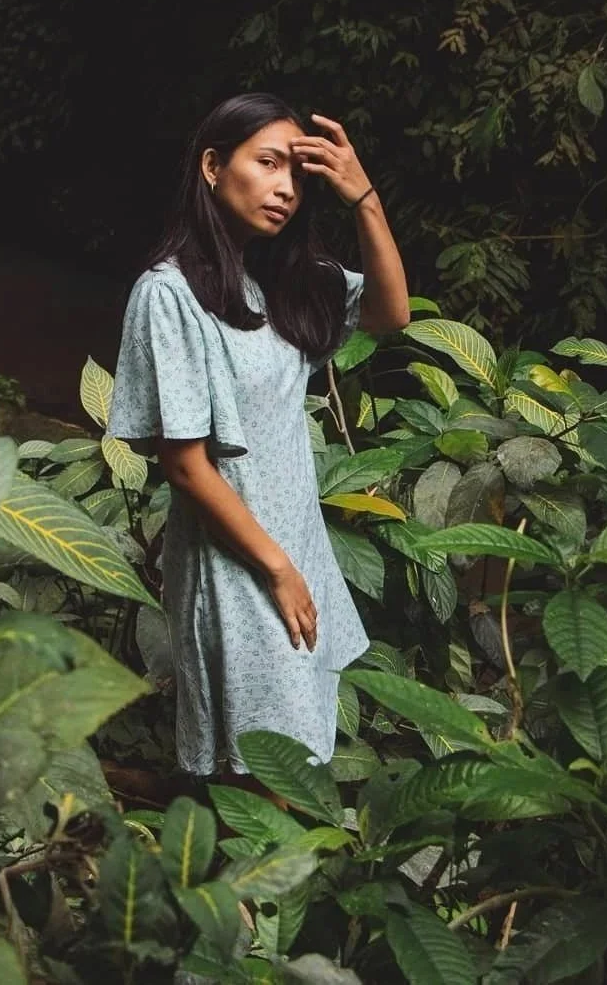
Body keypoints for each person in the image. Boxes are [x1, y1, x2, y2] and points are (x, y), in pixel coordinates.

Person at [106, 93, 410, 778]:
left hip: (297, 551)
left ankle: (259, 883)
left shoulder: (285, 282)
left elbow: (392, 314)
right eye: (267, 163)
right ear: (213, 166)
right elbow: (184, 465)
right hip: (238, 560)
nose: (284, 189)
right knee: (266, 765)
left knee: (292, 758)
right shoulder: (168, 294)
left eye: (297, 177)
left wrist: (362, 197)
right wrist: (275, 570)